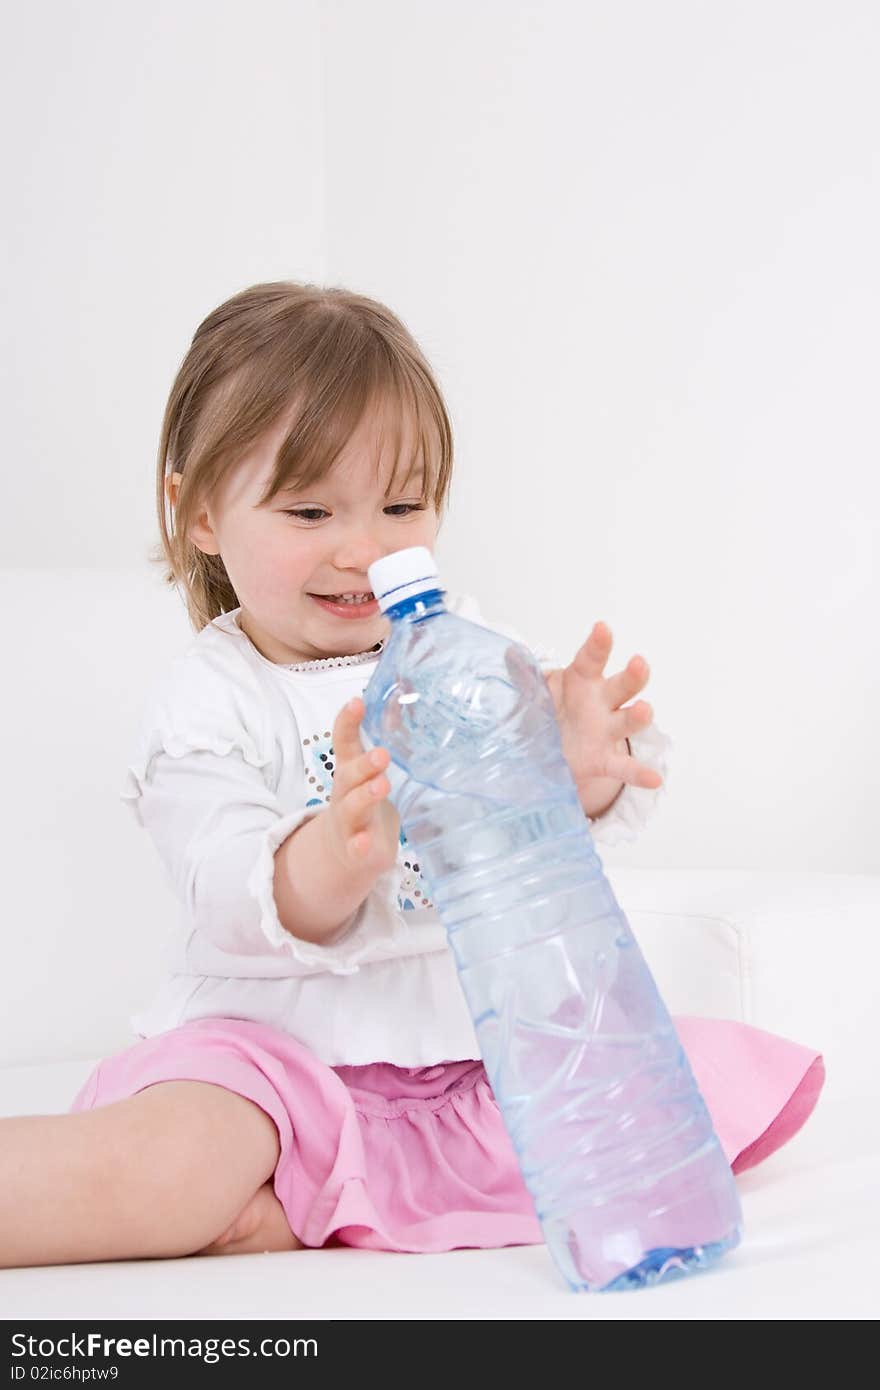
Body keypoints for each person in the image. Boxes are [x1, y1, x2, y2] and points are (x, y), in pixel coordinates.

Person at [0, 281, 824, 1268]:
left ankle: (293, 1213)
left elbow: (544, 846)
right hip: (274, 1069)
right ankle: (264, 1190)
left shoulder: (468, 650)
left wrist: (577, 767)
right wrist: (332, 856)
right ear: (200, 511)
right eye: (309, 509)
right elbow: (221, 886)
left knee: (667, 1087)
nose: (364, 548)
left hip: (475, 1055)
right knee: (180, 1156)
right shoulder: (213, 700)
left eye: (401, 505)